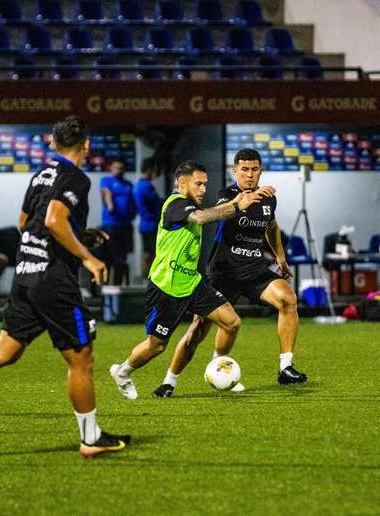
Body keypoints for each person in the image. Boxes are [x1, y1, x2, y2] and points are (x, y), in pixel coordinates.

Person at [0, 116, 130, 459]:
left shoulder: (41, 175)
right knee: (82, 359)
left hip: (25, 274)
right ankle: (91, 439)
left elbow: (25, 224)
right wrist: (88, 258)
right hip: (53, 281)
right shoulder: (75, 177)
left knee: (6, 350)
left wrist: (77, 236)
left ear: (52, 143)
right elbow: (53, 220)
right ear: (87, 145)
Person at [109, 160, 272, 400]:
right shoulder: (176, 204)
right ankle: (122, 372)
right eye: (198, 184)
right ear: (182, 183)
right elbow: (200, 218)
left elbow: (213, 212)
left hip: (192, 284)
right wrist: (237, 207)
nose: (203, 189)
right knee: (156, 346)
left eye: (205, 184)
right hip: (166, 288)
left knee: (231, 322)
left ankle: (218, 368)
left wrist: (239, 201)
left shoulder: (192, 203)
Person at [151, 148, 307, 398]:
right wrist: (245, 199)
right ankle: (169, 380)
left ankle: (285, 367)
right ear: (235, 171)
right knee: (198, 328)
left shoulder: (268, 199)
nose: (249, 174)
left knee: (288, 298)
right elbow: (224, 212)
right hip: (224, 271)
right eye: (244, 169)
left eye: (254, 169)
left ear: (260, 171)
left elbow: (272, 225)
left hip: (254, 268)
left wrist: (279, 254)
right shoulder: (227, 194)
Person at [100, 160, 136, 285]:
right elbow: (106, 193)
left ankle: (118, 287)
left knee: (121, 259)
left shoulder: (128, 184)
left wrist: (132, 214)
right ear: (111, 168)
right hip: (110, 225)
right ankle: (105, 289)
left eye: (121, 168)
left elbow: (133, 201)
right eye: (116, 167)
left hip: (125, 226)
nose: (118, 170)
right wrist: (111, 206)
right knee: (108, 258)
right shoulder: (106, 181)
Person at [133, 157, 163, 278]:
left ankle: (148, 276)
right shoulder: (146, 187)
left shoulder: (138, 185)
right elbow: (157, 203)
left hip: (145, 224)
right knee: (151, 253)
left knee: (149, 252)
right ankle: (149, 276)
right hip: (151, 224)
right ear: (150, 170)